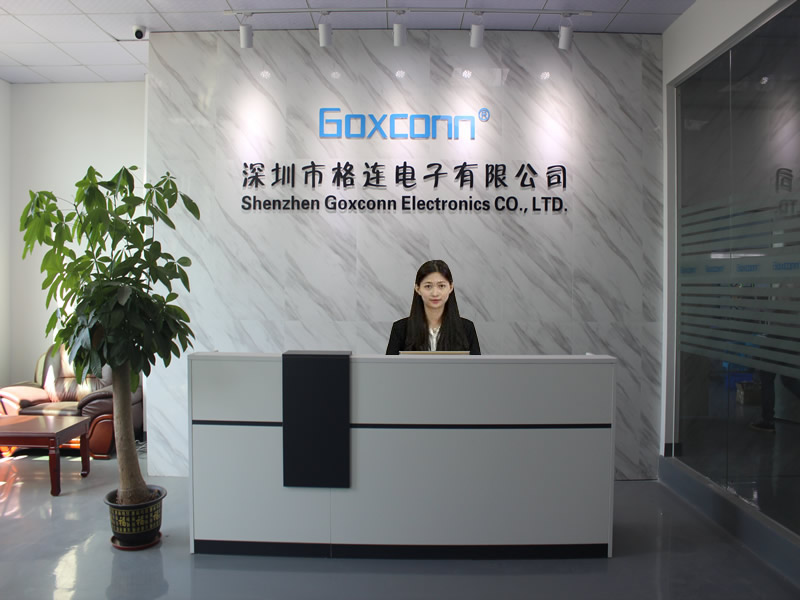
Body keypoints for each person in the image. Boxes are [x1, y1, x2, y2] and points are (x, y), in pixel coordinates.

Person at [386, 259, 481, 355]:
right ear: (417, 288)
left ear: (451, 287)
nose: (435, 293)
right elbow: (389, 365)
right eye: (428, 286)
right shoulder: (400, 329)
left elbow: (477, 364)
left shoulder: (466, 328)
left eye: (441, 286)